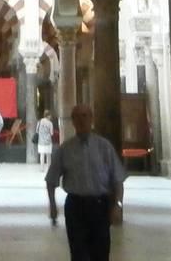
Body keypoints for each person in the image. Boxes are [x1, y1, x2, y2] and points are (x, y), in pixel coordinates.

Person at [44, 104, 126, 261]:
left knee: (101, 252)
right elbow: (51, 179)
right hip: (76, 207)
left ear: (91, 119)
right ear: (72, 121)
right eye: (77, 117)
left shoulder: (104, 147)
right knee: (78, 252)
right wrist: (53, 205)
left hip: (100, 205)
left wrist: (118, 205)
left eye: (85, 116)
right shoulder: (66, 149)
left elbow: (117, 179)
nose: (81, 121)